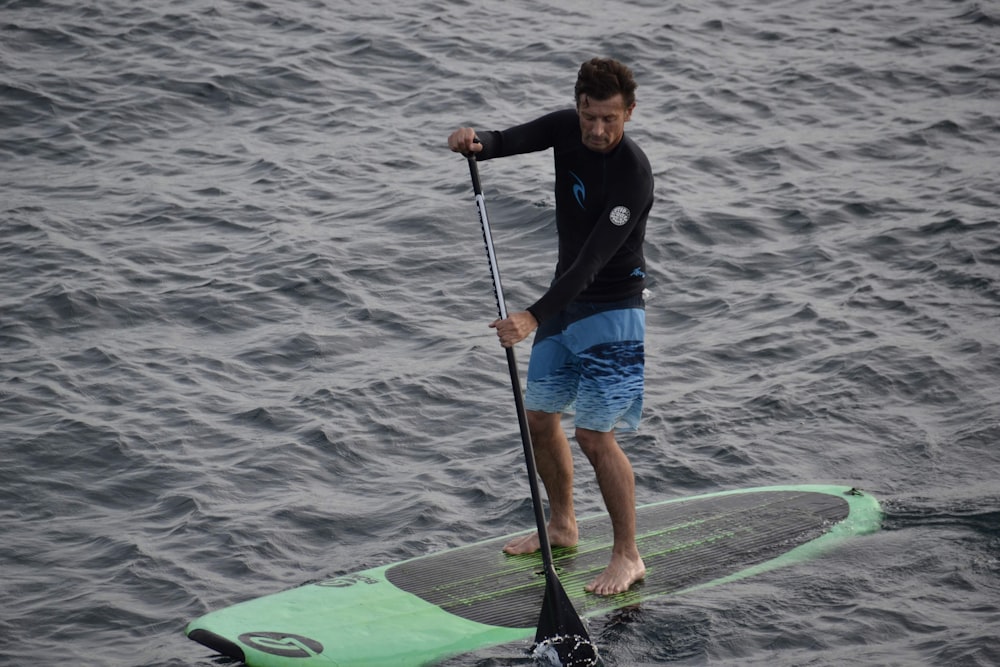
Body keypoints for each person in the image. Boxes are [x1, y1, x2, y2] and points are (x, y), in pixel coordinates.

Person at [447, 57, 653, 596]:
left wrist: (530, 317)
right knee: (540, 419)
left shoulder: (633, 172)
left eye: (610, 118)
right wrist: (475, 141)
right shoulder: (566, 128)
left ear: (629, 112)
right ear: (578, 106)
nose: (597, 130)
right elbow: (506, 140)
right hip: (563, 300)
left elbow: (591, 262)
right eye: (589, 116)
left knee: (592, 435)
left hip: (612, 310)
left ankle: (628, 556)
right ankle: (562, 527)